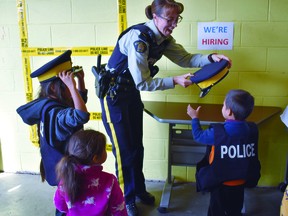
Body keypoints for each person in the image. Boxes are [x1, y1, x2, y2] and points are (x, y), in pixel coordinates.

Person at [92, 0, 232, 215]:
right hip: (114, 98)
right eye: (170, 19)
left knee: (137, 147)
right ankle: (124, 200)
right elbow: (143, 82)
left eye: (177, 19)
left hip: (130, 96)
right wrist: (174, 81)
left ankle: (138, 189)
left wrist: (212, 57)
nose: (174, 24)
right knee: (124, 152)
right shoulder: (139, 39)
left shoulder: (163, 40)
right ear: (155, 17)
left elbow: (186, 59)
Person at [16, 50, 90, 216]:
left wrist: (80, 81)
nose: (71, 91)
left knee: (66, 200)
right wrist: (73, 86)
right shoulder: (55, 112)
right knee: (67, 205)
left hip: (62, 166)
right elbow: (81, 115)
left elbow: (79, 103)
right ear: (57, 87)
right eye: (67, 86)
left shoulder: (51, 103)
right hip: (66, 169)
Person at [187, 89, 261, 216]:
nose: (222, 107)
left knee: (216, 211)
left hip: (220, 183)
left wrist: (194, 118)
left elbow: (198, 135)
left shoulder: (217, 133)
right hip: (240, 183)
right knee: (235, 210)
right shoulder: (252, 129)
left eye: (223, 105)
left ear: (229, 111)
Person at [53, 129, 128, 216]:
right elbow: (119, 209)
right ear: (95, 158)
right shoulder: (110, 180)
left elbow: (60, 206)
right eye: (104, 149)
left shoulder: (66, 179)